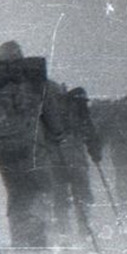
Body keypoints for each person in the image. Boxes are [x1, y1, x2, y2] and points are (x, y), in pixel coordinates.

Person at [0, 41, 63, 248]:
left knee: (16, 190)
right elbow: (50, 112)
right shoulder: (34, 78)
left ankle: (21, 240)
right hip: (29, 144)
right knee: (40, 187)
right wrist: (57, 135)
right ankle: (36, 238)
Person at [45, 84, 103, 241]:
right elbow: (90, 133)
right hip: (75, 157)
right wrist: (95, 153)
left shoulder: (49, 110)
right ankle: (84, 227)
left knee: (59, 194)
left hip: (54, 157)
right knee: (81, 191)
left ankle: (63, 228)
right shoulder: (79, 110)